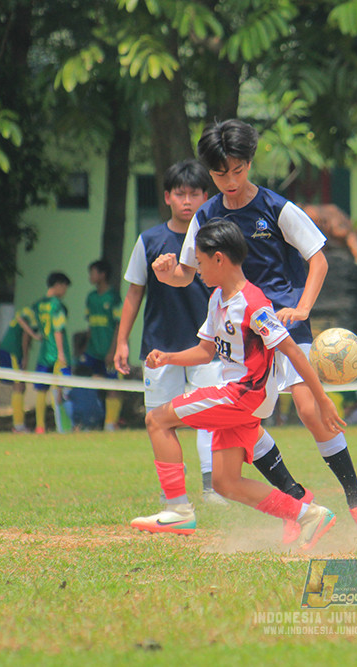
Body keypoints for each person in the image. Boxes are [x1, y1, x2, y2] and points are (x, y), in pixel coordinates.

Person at [152, 119, 357, 537]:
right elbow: (188, 273)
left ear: (249, 163)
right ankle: (298, 505)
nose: (231, 180)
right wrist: (168, 271)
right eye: (221, 174)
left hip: (281, 324)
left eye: (238, 170)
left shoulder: (277, 208)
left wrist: (302, 307)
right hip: (239, 338)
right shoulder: (205, 214)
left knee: (312, 411)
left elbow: (318, 259)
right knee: (248, 427)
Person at [132, 219, 341, 550]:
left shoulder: (254, 305)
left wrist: (322, 399)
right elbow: (205, 351)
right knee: (225, 483)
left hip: (243, 396)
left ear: (219, 259)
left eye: (200, 262)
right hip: (239, 397)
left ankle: (178, 509)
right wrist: (169, 358)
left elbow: (293, 352)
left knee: (157, 419)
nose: (197, 270)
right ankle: (309, 514)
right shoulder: (218, 299)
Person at [113, 161, 226, 503]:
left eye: (194, 193)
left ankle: (212, 487)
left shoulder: (215, 238)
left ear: (206, 196)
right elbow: (134, 294)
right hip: (159, 346)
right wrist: (121, 342)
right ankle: (173, 494)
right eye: (180, 194)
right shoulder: (149, 240)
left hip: (208, 345)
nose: (187, 201)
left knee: (211, 416)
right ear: (167, 197)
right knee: (160, 419)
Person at [80, 259, 123, 430]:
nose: (90, 276)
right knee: (93, 384)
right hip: (93, 351)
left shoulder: (113, 297)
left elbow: (119, 325)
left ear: (102, 275)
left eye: (93, 272)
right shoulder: (90, 297)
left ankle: (110, 424)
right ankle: (93, 420)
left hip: (109, 350)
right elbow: (90, 324)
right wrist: (85, 346)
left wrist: (113, 350)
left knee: (114, 385)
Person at [32, 272, 72, 434]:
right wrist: (61, 353)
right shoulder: (56, 305)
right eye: (65, 288)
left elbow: (31, 325)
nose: (65, 292)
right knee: (63, 389)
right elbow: (58, 329)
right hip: (57, 354)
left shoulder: (39, 304)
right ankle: (64, 427)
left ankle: (40, 426)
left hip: (44, 353)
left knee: (41, 390)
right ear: (59, 285)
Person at [0, 302, 41, 433]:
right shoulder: (32, 316)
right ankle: (18, 425)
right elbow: (25, 338)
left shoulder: (26, 311)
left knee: (20, 386)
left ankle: (19, 424)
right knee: (18, 386)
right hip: (13, 351)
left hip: (7, 348)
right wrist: (25, 358)